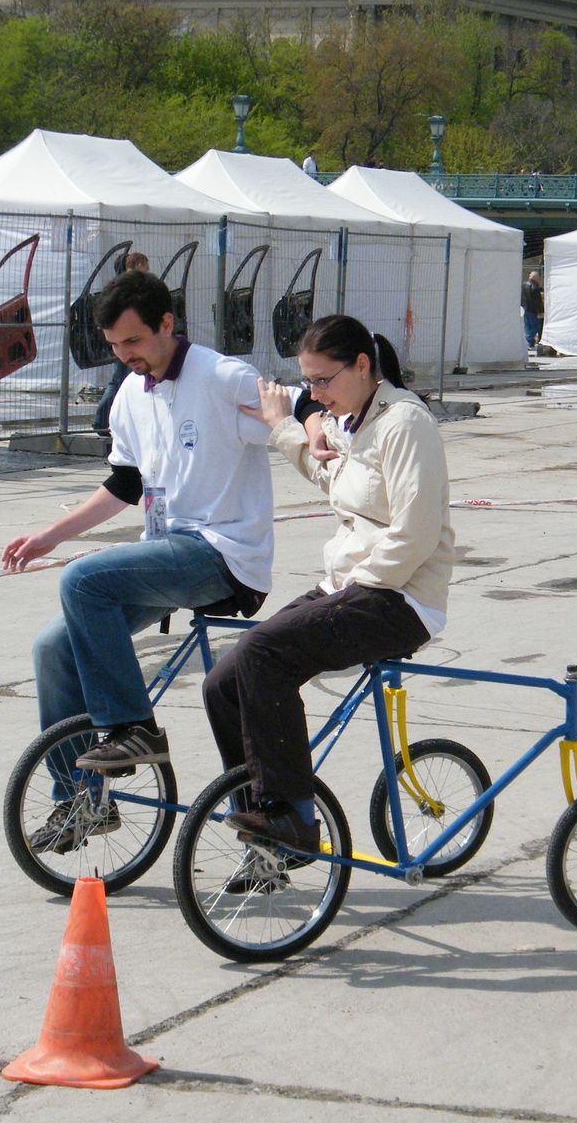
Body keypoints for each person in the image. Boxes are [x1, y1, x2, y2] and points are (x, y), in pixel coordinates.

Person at [3, 270, 281, 852]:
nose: (124, 356)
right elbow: (126, 484)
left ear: (166, 325)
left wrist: (326, 438)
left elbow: (299, 410)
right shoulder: (131, 394)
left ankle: (134, 729)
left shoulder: (222, 376)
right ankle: (81, 800)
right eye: (113, 347)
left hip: (224, 555)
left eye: (133, 342)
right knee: (52, 649)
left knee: (85, 581)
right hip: (170, 554)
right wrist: (52, 534)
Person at [202, 315, 455, 852]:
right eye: (308, 383)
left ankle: (293, 815)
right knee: (222, 683)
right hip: (353, 587)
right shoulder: (354, 420)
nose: (315, 395)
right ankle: (259, 824)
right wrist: (285, 427)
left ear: (363, 366)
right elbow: (331, 476)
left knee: (263, 652)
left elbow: (416, 534)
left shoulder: (405, 423)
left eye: (323, 381)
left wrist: (354, 588)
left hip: (400, 597)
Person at [92, 250, 152, 435]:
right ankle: (103, 421)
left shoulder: (118, 285)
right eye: (146, 268)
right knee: (121, 381)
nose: (148, 272)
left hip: (122, 339)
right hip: (128, 339)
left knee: (118, 381)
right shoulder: (133, 286)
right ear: (139, 265)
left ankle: (104, 421)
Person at [521, 269, 544, 350]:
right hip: (533, 311)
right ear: (535, 278)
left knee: (527, 327)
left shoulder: (523, 285)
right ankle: (527, 340)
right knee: (535, 327)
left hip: (524, 309)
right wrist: (540, 312)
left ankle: (529, 345)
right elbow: (537, 301)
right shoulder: (535, 287)